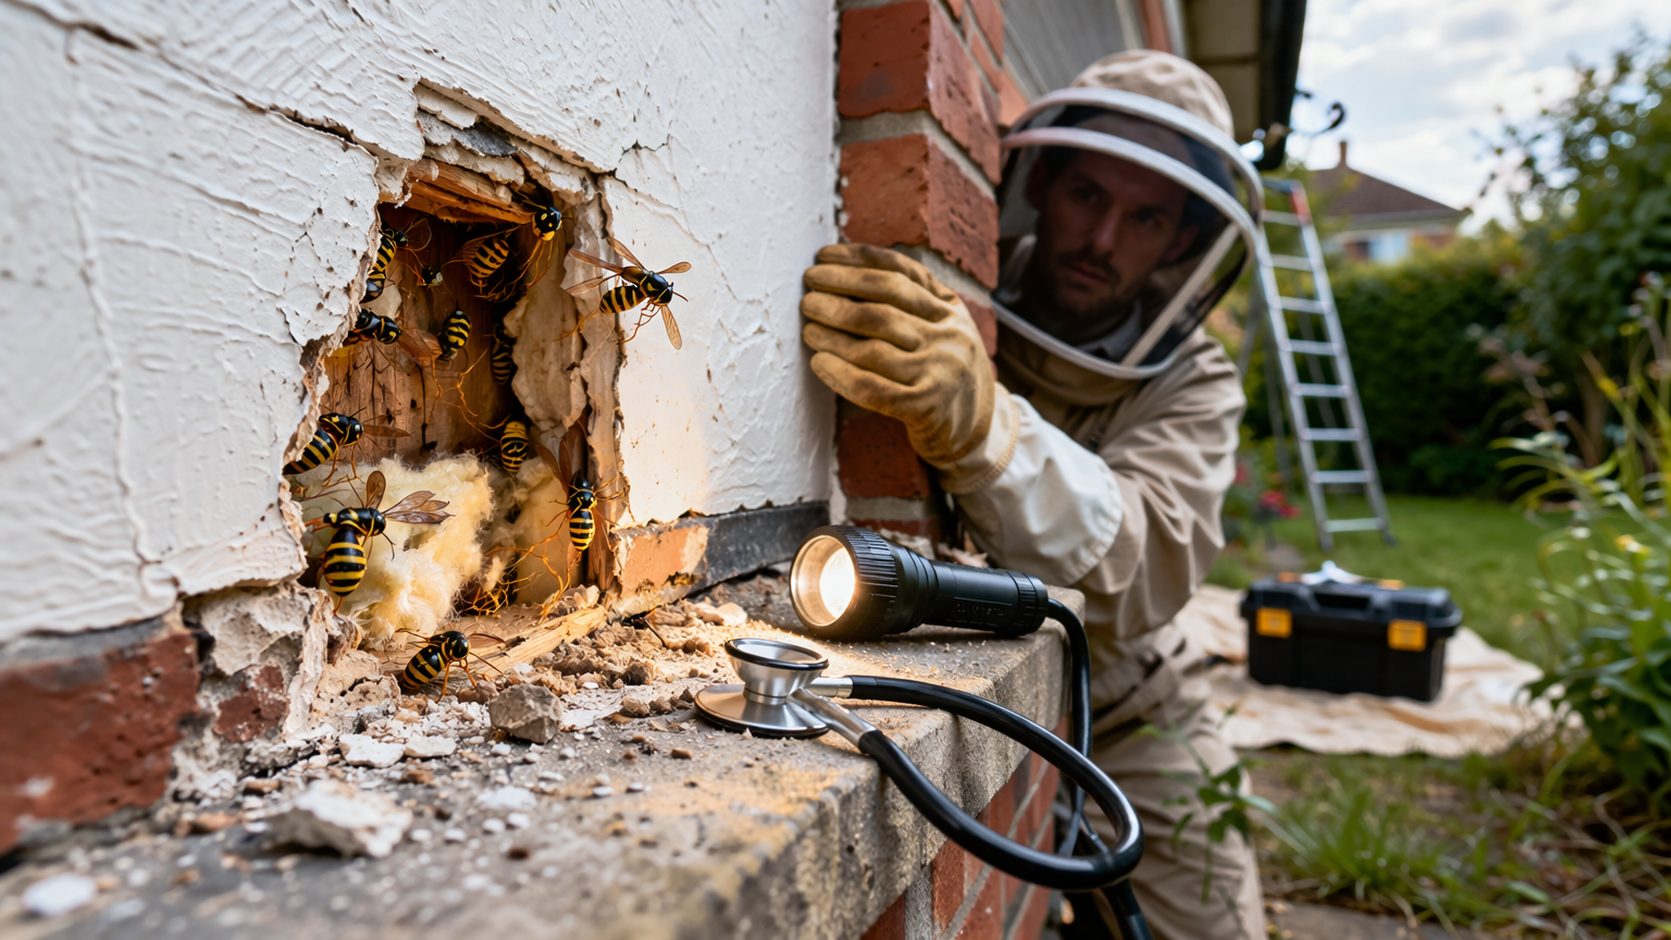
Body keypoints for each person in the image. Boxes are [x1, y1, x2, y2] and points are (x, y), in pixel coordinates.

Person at [799, 50, 1265, 938]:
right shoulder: (962, 292)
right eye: (1087, 195)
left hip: (1134, 702)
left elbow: (1152, 562)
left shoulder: (1191, 376)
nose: (1102, 241)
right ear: (1041, 184)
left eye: (1145, 218)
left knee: (1208, 924)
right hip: (975, 682)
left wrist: (984, 430)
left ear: (1179, 241)